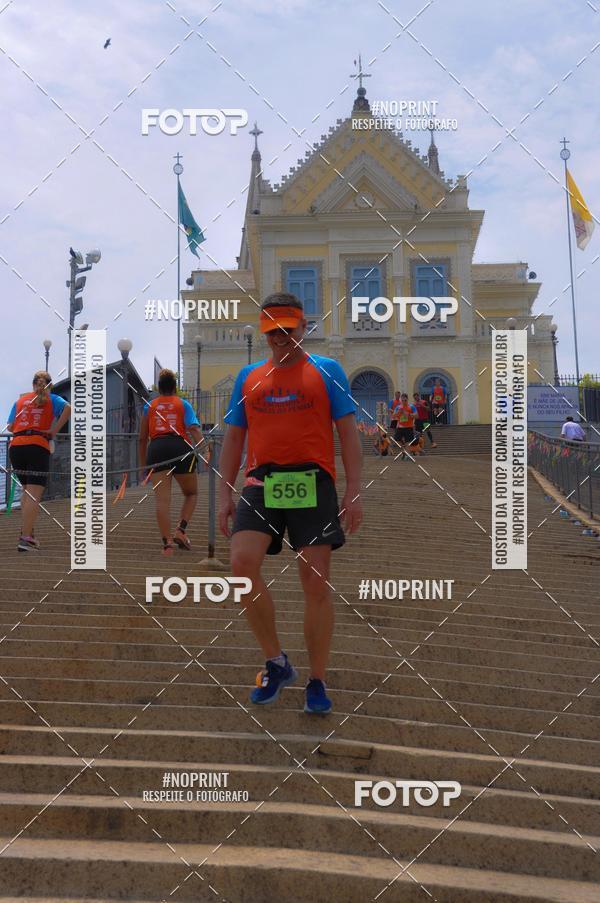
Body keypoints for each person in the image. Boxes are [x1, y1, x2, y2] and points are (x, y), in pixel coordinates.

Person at [218, 292, 363, 715]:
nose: (281, 339)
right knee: (242, 567)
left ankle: (317, 679)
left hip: (312, 482)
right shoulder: (248, 378)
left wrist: (354, 490)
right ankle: (276, 662)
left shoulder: (326, 370)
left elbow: (349, 433)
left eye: (288, 330)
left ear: (303, 327)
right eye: (272, 332)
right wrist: (224, 494)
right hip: (262, 482)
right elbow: (233, 439)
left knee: (314, 583)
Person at [138, 369, 204, 556]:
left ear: (159, 388)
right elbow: (193, 428)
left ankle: (167, 545)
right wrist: (205, 450)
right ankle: (180, 531)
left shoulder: (149, 406)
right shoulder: (183, 404)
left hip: (157, 449)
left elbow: (142, 439)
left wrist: (144, 467)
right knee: (191, 493)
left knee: (162, 500)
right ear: (175, 387)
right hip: (180, 447)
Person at [7, 370, 71, 551]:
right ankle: (26, 538)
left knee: (26, 491)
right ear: (49, 385)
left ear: (33, 384)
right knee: (34, 494)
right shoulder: (53, 399)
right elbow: (69, 408)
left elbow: (11, 426)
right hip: (37, 446)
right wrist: (54, 430)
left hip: (16, 447)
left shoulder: (20, 401)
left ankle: (28, 532)